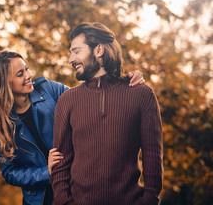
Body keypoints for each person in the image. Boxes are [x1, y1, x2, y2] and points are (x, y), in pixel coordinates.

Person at [0, 51, 145, 205]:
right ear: (3, 84)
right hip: (41, 200)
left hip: (78, 187)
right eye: (20, 74)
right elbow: (10, 173)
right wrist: (47, 172)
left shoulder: (48, 89)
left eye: (26, 69)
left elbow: (89, 100)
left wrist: (123, 82)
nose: (28, 75)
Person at [51, 22, 163, 205]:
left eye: (76, 51)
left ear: (99, 50)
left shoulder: (141, 94)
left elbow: (153, 157)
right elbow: (60, 163)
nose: (71, 59)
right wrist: (64, 202)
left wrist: (148, 200)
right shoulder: (67, 100)